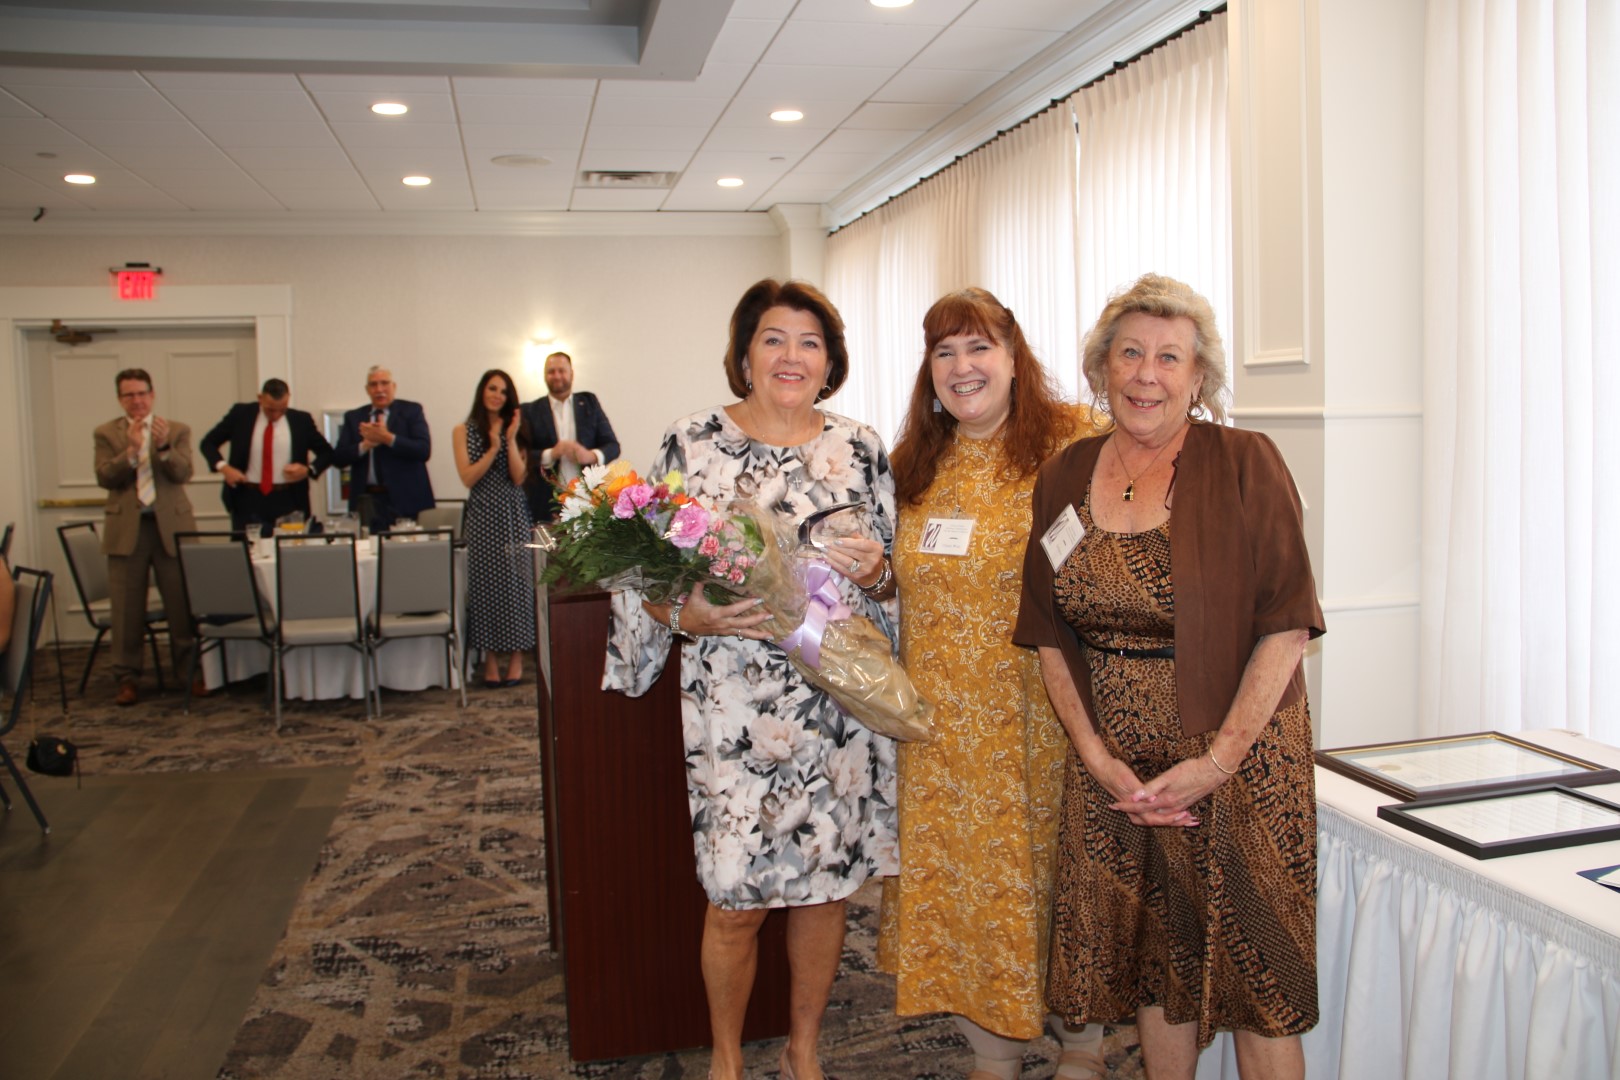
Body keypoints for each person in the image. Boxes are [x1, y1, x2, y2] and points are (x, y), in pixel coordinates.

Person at [1013, 274, 1325, 1080]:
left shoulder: (1247, 463)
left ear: (1199, 377)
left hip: (1240, 766)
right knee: (1156, 970)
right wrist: (1095, 757)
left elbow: (1288, 624)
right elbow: (1047, 633)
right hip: (1119, 772)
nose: (1146, 374)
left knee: (1258, 986)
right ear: (1102, 368)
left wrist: (1215, 763)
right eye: (1130, 354)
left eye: (1169, 358)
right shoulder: (1064, 475)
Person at [603, 279, 898, 1080]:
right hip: (732, 709)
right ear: (743, 356)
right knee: (735, 896)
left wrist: (877, 574)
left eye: (809, 342)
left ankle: (804, 1050)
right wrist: (685, 616)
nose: (791, 356)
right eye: (773, 339)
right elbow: (640, 572)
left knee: (826, 888)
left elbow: (894, 581)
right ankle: (726, 1060)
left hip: (835, 709)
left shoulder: (861, 448)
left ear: (830, 361)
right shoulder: (691, 443)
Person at [879, 288, 1107, 1079]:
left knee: (1059, 877)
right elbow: (892, 583)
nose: (962, 366)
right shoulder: (913, 467)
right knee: (970, 890)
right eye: (944, 352)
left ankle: (1082, 1042)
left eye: (979, 347)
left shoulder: (1076, 439)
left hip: (1043, 718)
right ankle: (991, 1048)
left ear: (1014, 357)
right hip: (942, 734)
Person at [92, 368, 203, 707]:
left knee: (181, 603)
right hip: (129, 529)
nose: (136, 401)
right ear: (120, 399)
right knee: (126, 609)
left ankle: (188, 673)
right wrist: (130, 451)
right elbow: (104, 477)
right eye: (129, 395)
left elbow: (184, 473)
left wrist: (163, 447)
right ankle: (127, 678)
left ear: (152, 395)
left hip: (170, 526)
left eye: (141, 393)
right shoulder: (106, 433)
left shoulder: (176, 429)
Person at [453, 369, 535, 688]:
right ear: (482, 391)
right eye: (492, 388)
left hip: (512, 513)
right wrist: (492, 446)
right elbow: (468, 477)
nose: (497, 395)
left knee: (516, 585)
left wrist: (509, 439)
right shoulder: (463, 431)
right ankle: (489, 659)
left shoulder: (517, 430)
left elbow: (518, 476)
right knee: (484, 584)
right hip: (482, 515)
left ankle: (516, 657)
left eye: (503, 391)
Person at [199, 378, 333, 535]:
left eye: (282, 409)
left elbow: (327, 453)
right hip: (248, 497)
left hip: (289, 498)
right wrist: (224, 468)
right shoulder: (241, 415)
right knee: (247, 547)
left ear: (288, 399)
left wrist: (308, 470)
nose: (276, 415)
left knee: (291, 546)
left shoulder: (300, 420)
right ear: (260, 398)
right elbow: (208, 443)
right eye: (270, 410)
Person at [331, 365, 435, 532]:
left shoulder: (411, 411)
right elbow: (338, 458)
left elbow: (423, 450)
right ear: (367, 390)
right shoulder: (354, 417)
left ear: (394, 386)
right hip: (366, 501)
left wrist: (387, 438)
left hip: (405, 500)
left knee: (405, 546)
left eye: (384, 383)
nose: (379, 389)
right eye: (373, 384)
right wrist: (365, 445)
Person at [520, 351, 620, 522]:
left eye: (561, 370)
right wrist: (550, 454)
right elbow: (521, 455)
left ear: (571, 374)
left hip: (589, 499)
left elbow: (613, 446)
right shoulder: (530, 410)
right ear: (544, 375)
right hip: (545, 502)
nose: (557, 376)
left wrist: (590, 456)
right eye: (551, 371)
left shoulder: (589, 403)